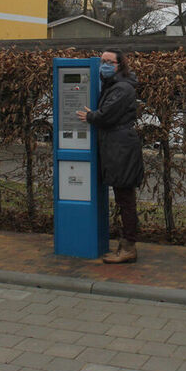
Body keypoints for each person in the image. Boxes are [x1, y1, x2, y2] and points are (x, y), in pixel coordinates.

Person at [77, 49, 145, 264]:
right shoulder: (114, 85)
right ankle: (125, 246)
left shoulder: (122, 88)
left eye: (109, 62)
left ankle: (129, 248)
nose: (105, 65)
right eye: (103, 61)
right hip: (116, 147)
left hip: (121, 148)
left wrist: (90, 116)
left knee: (125, 198)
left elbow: (107, 115)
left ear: (119, 65)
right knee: (124, 198)